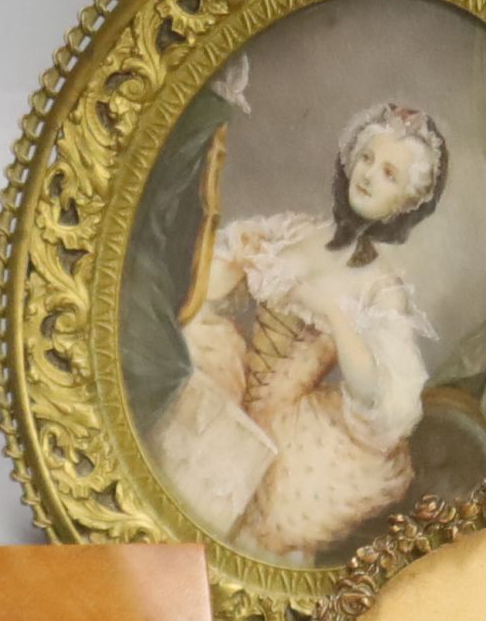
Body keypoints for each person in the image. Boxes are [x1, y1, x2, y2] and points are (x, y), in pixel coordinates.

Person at [151, 101, 447, 563]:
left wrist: (332, 312)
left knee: (249, 534)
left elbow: (378, 395)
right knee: (189, 347)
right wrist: (236, 263)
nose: (368, 176)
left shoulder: (381, 287)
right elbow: (207, 288)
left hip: (295, 429)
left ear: (404, 203)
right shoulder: (294, 231)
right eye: (367, 158)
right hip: (236, 385)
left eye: (389, 173)